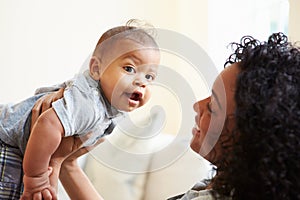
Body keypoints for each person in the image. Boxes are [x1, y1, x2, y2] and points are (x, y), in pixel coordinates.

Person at [41, 32, 300, 200]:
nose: (197, 106)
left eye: (214, 106)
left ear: (252, 137)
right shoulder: (218, 187)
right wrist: (68, 165)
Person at [0, 19, 160, 200]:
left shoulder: (109, 110)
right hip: (6, 141)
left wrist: (47, 180)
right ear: (96, 69)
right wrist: (37, 179)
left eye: (149, 76)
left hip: (23, 148)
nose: (141, 82)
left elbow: (55, 153)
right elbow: (46, 124)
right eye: (129, 68)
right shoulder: (90, 102)